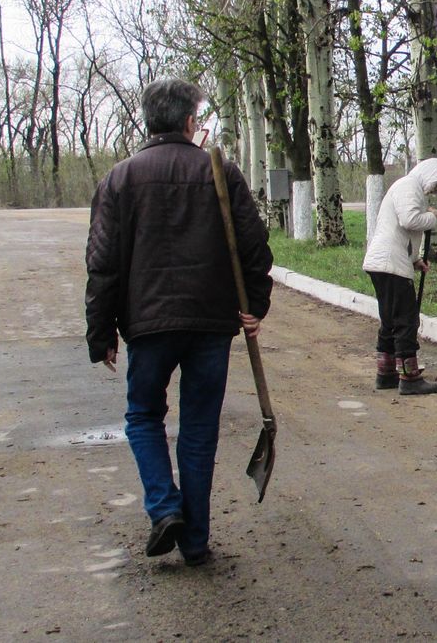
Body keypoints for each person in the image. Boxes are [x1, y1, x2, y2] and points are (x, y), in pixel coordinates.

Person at [85, 77, 273, 567]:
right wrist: (256, 304)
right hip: (211, 325)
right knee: (198, 430)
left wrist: (101, 331)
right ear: (191, 122)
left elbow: (102, 263)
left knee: (143, 417)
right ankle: (194, 541)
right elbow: (255, 247)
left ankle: (165, 508)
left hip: (147, 325)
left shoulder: (119, 179)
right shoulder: (220, 172)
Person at [362, 157, 437, 394]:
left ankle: (386, 373)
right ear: (428, 175)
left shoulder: (407, 187)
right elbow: (409, 220)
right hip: (390, 264)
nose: (434, 191)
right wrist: (432, 216)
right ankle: (409, 379)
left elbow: (402, 232)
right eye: (435, 185)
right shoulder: (408, 185)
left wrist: (414, 260)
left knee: (390, 320)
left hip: (386, 262)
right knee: (406, 320)